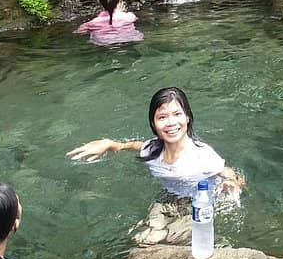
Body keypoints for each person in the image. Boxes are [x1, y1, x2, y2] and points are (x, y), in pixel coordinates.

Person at [67, 87, 244, 245]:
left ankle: (212, 244)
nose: (171, 123)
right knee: (141, 238)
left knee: (161, 238)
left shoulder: (202, 155)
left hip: (198, 204)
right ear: (153, 123)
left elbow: (227, 172)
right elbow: (135, 145)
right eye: (162, 117)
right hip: (168, 199)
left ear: (188, 117)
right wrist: (111, 145)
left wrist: (231, 183)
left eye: (177, 114)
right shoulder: (152, 149)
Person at [74, 0, 143, 46]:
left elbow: (78, 32)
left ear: (99, 2)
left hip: (104, 45)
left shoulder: (91, 24)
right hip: (129, 41)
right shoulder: (130, 17)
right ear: (119, 1)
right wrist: (120, 12)